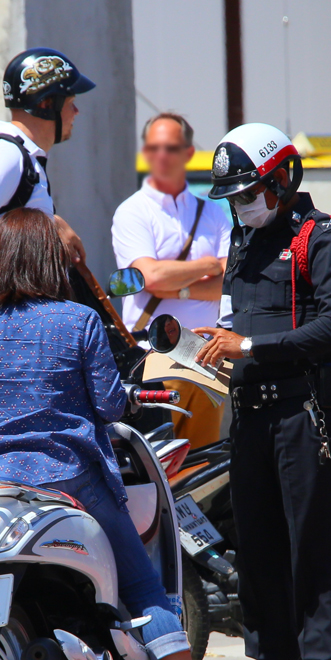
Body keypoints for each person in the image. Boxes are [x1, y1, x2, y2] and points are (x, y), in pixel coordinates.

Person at [0, 208, 235, 660]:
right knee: (142, 587)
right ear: (50, 259)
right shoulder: (78, 321)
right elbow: (110, 404)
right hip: (67, 478)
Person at [190, 123, 331, 660]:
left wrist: (252, 345)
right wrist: (211, 348)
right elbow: (237, 322)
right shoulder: (243, 239)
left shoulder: (323, 236)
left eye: (249, 191)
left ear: (284, 178)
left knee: (311, 548)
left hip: (302, 411)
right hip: (251, 414)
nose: (241, 204)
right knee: (257, 549)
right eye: (233, 196)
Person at [111, 113, 232, 448]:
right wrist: (208, 264)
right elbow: (150, 276)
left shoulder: (212, 212)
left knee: (201, 466)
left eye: (170, 148)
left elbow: (230, 279)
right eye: (153, 147)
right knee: (159, 464)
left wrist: (177, 286)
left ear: (188, 153)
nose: (160, 155)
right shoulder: (132, 212)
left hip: (207, 357)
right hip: (154, 358)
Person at [0, 48, 95, 287]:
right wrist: (0, 297)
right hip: (4, 322)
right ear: (47, 104)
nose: (76, 112)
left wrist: (52, 222)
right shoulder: (7, 154)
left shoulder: (22, 157)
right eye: (71, 103)